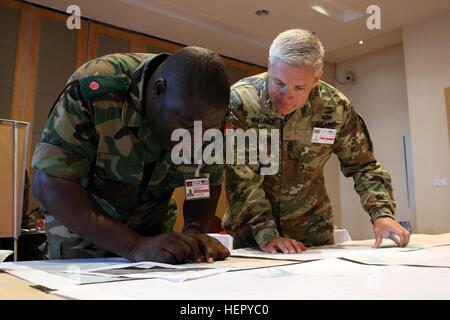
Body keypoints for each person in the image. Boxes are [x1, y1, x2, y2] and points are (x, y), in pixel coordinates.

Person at [31, 46, 231, 264]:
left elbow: (202, 180)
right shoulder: (99, 87)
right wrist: (133, 245)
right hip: (83, 242)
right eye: (187, 126)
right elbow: (51, 183)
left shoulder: (208, 116)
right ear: (158, 90)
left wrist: (194, 231)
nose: (193, 139)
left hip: (155, 243)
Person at [222, 29, 410, 254]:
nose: (286, 95)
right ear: (270, 65)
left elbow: (363, 166)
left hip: (312, 237)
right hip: (253, 239)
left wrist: (382, 214)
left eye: (299, 87)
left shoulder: (334, 107)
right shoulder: (241, 101)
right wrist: (267, 234)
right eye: (278, 82)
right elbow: (241, 176)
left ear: (316, 78)